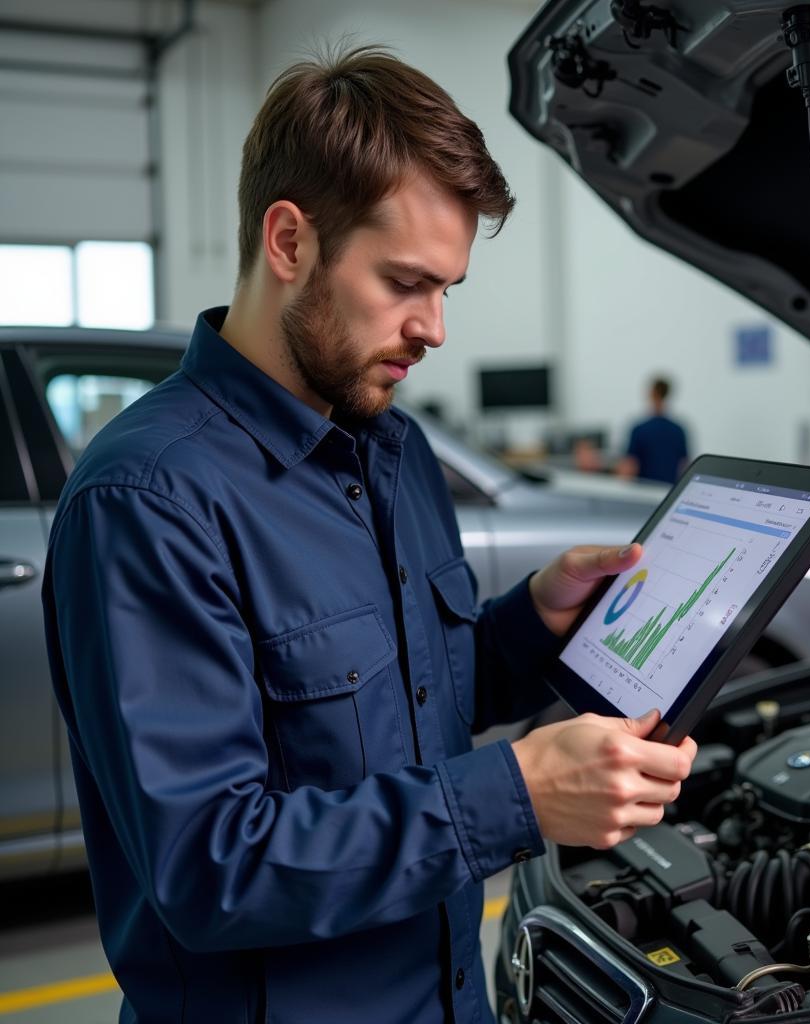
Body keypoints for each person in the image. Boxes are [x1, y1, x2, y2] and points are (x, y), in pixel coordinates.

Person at [41, 47, 698, 1024]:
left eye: (448, 290)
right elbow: (209, 864)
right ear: (289, 241)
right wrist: (515, 794)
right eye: (404, 281)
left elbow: (406, 702)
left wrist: (531, 625)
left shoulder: (394, 450)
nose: (433, 328)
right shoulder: (150, 499)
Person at [617, 376, 690, 484]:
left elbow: (629, 467)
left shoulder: (639, 429)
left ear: (651, 393)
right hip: (669, 491)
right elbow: (684, 467)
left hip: (644, 492)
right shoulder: (679, 430)